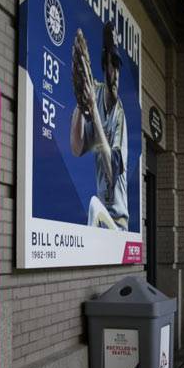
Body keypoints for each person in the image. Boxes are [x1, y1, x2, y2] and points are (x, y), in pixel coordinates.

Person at [70, 23, 129, 230]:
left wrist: (93, 110)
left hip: (118, 221)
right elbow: (77, 148)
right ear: (105, 67)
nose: (116, 74)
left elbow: (112, 169)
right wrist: (79, 105)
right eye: (112, 64)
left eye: (118, 66)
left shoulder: (118, 113)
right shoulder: (95, 90)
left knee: (95, 206)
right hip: (104, 221)